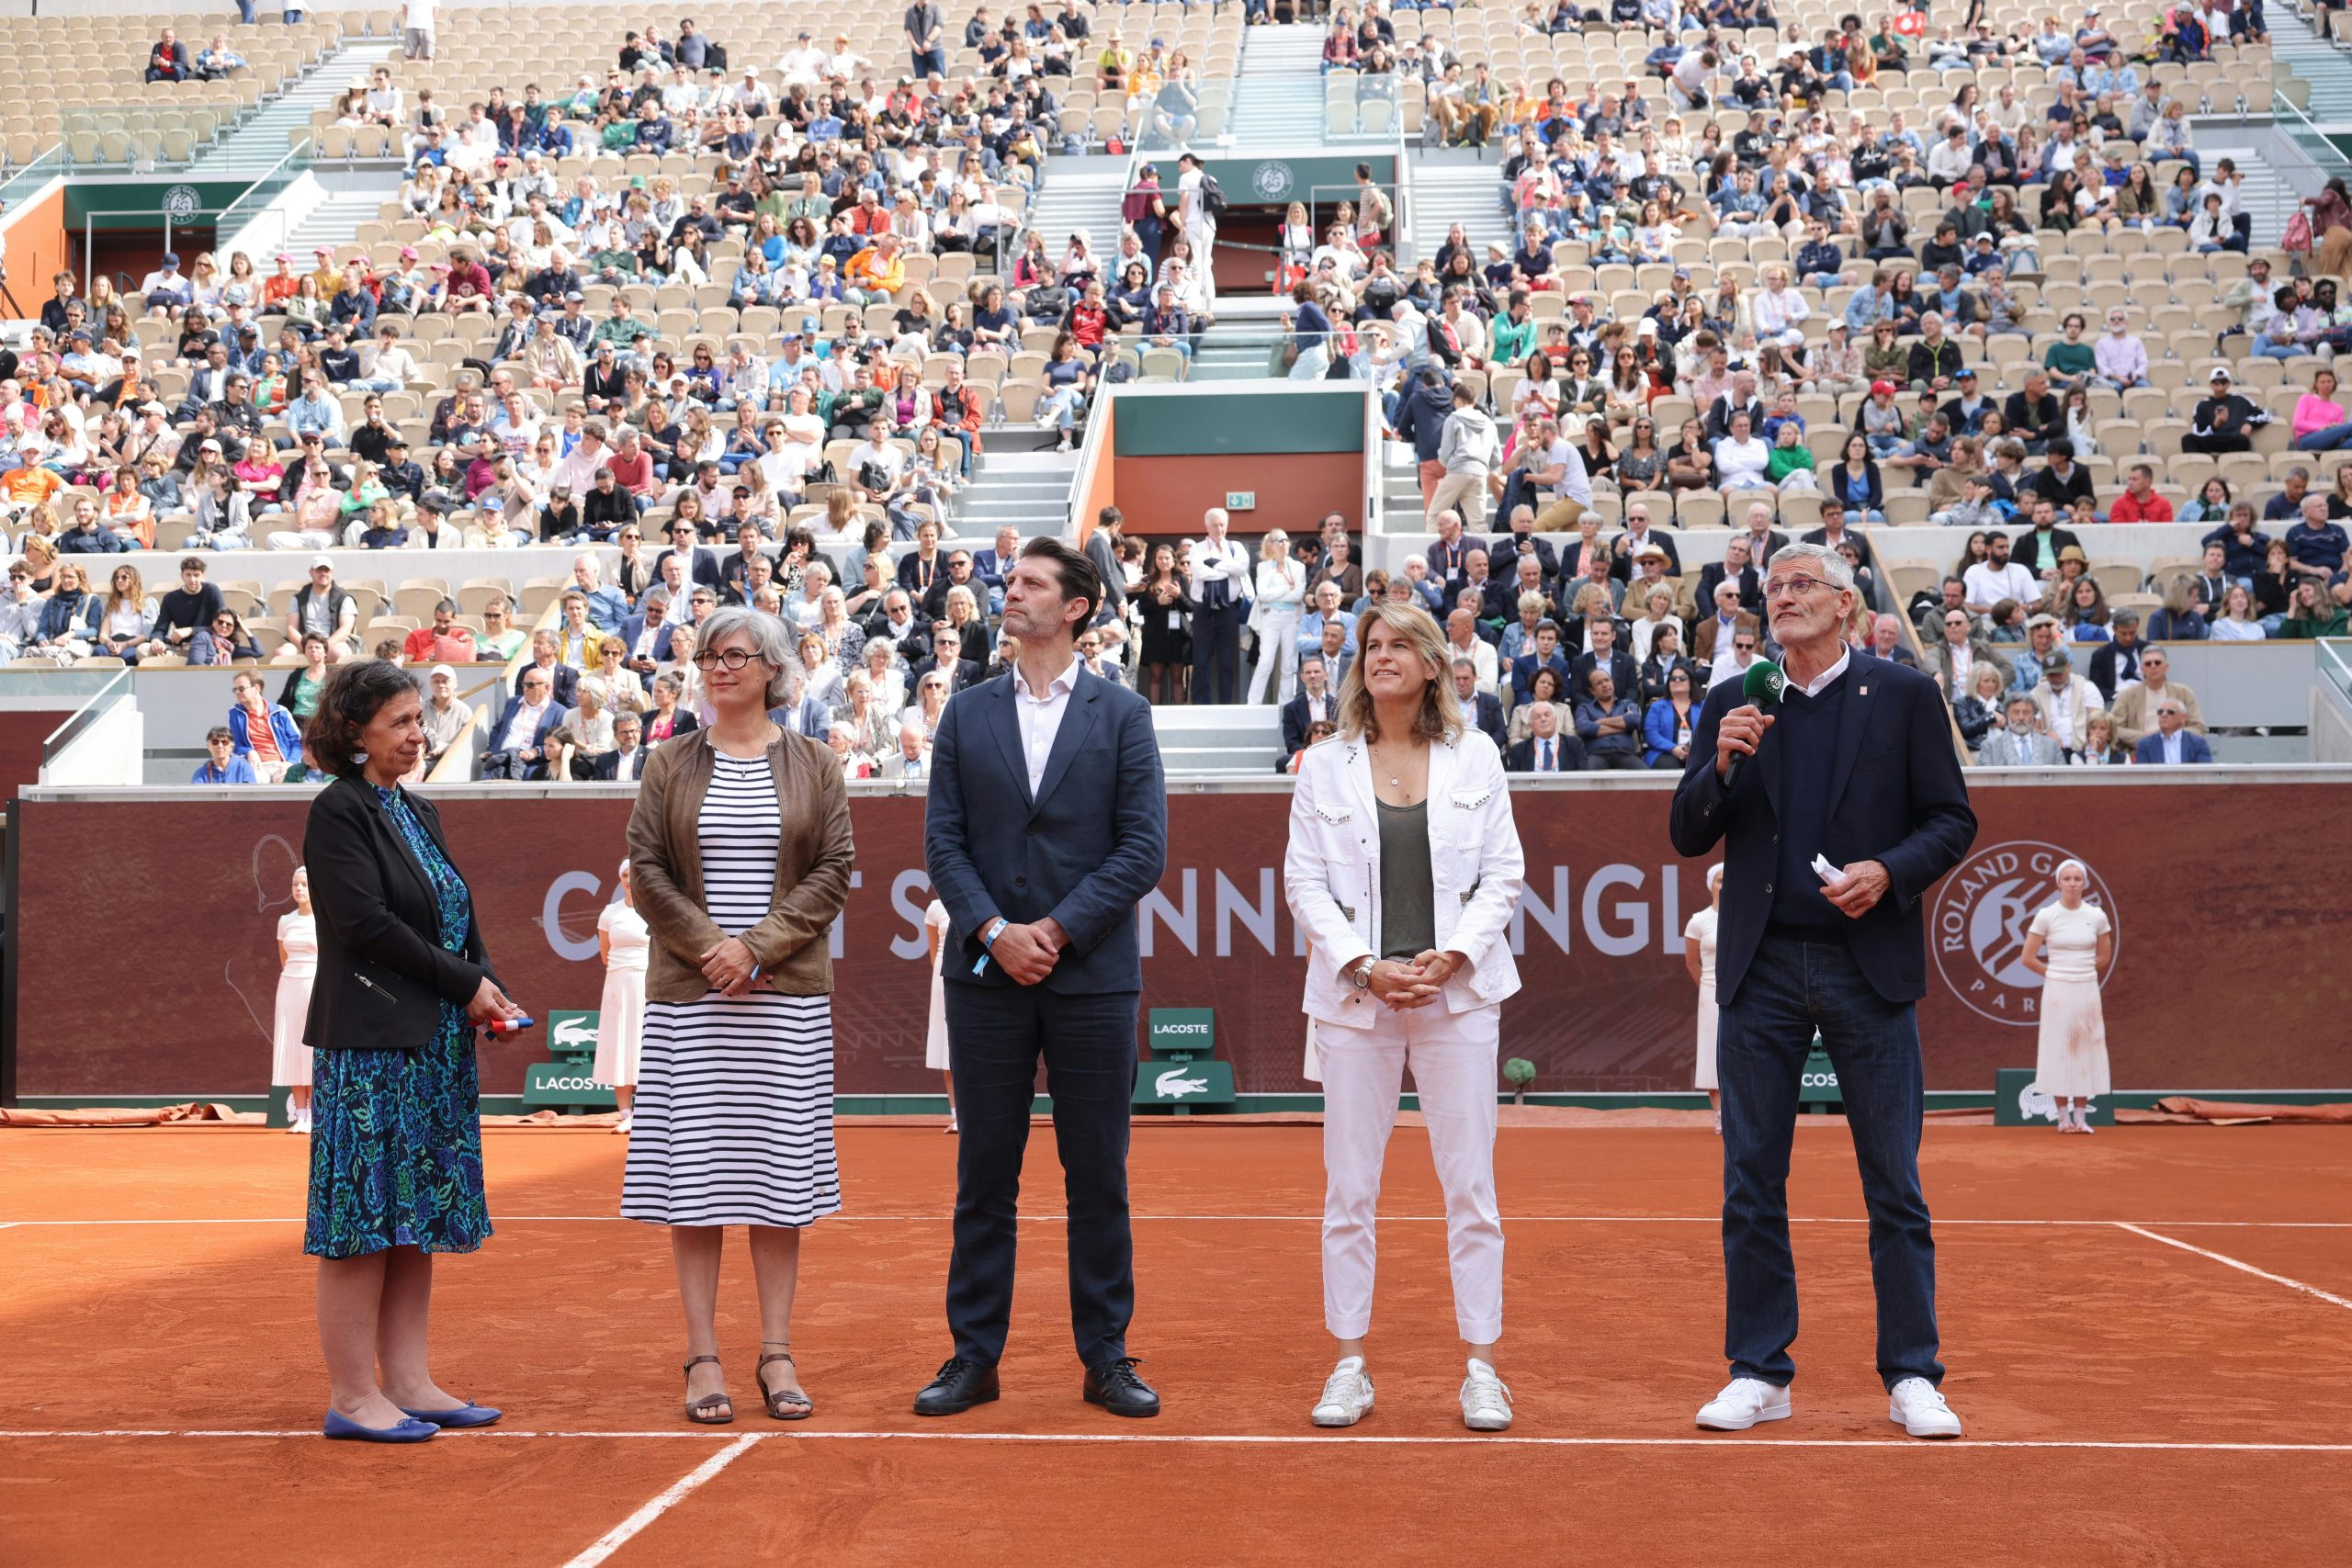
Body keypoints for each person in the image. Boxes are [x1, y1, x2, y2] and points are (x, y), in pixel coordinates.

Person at [1669, 542, 1977, 1440]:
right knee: (1750, 1178)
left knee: (1893, 1180)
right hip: (1759, 969)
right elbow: (1688, 832)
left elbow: (1951, 818)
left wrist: (1887, 871)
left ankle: (1912, 1373)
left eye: (1802, 585)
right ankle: (1760, 1370)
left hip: (1864, 965)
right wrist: (1721, 767)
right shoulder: (1734, 701)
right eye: (1773, 589)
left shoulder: (1907, 697)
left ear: (1847, 604)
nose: (1784, 599)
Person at [918, 538, 1169, 1421]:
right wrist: (994, 930)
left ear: (1076, 606)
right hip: (985, 976)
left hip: (1091, 977)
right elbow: (943, 842)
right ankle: (972, 1358)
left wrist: (1053, 931)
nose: (1008, 592)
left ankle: (1106, 1357)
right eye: (1010, 581)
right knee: (984, 1176)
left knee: (1096, 1173)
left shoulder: (1124, 713)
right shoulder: (963, 711)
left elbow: (1143, 848)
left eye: (1029, 584)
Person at [1284, 601, 1525, 1434]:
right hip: (1358, 1001)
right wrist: (1365, 964)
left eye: (1398, 645)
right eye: (1369, 646)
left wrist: (1451, 955)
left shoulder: (1478, 755)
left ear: (1433, 664)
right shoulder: (1322, 765)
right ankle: (1349, 1362)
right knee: (1349, 1189)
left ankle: (1482, 1369)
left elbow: (1504, 873)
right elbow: (1304, 884)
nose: (1380, 656)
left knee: (1472, 1190)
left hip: (1457, 995)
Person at [622, 605, 857, 1426]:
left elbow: (833, 870)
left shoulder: (818, 762)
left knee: (777, 1182)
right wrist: (710, 950)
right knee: (696, 1184)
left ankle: (777, 1350)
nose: (719, 667)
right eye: (708, 655)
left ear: (773, 668)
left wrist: (753, 949)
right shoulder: (667, 763)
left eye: (737, 655)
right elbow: (645, 869)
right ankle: (702, 1355)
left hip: (780, 1000)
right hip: (694, 1002)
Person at [300, 658, 526, 1442]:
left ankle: (409, 1381)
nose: (415, 733)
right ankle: (353, 1395)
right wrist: (465, 983)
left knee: (413, 1214)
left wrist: (487, 986)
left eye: (416, 720)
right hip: (370, 1048)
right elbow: (367, 925)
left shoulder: (417, 810)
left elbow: (453, 917)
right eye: (398, 722)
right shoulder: (337, 811)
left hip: (430, 1048)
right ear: (354, 734)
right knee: (363, 1218)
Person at [2019, 859, 2113, 1135]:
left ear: (2084, 883)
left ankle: (2081, 1118)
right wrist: (2055, 973)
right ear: (2058, 883)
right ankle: (2063, 1118)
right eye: (2067, 879)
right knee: (2059, 1046)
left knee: (2085, 1044)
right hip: (2057, 991)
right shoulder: (2046, 915)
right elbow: (2027, 957)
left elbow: (2104, 956)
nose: (2072, 883)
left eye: (2077, 879)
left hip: (2086, 989)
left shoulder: (2097, 916)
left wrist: (2080, 972)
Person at [594, 861, 650, 1135]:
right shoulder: (609, 913)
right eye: (624, 875)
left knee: (648, 1045)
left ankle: (650, 1114)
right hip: (617, 984)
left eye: (634, 874)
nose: (629, 879)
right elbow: (605, 954)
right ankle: (626, 1114)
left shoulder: (656, 910)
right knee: (620, 1045)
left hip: (650, 984)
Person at [274, 866, 319, 1134]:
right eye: (295, 884)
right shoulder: (285, 921)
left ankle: (314, 1114)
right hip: (289, 986)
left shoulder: (323, 921)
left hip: (314, 986)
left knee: (312, 1048)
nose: (299, 889)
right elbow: (283, 958)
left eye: (304, 884)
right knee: (292, 1047)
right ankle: (300, 1115)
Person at [1190, 507, 1250, 705]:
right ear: (1207, 526)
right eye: (1215, 525)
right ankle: (1201, 705)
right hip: (1203, 610)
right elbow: (1200, 573)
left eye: (1222, 524)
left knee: (1227, 662)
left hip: (1228, 610)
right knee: (1200, 662)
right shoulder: (1197, 548)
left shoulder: (1236, 547)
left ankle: (1226, 704)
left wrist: (1214, 564)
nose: (1219, 529)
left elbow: (1241, 569)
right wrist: (1227, 568)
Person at [1684, 863, 1724, 1134]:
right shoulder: (1699, 921)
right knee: (1712, 1053)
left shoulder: (1745, 917)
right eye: (1720, 880)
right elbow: (1691, 962)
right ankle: (1721, 1116)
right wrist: (1707, 988)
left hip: (1742, 993)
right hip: (1710, 993)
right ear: (1711, 884)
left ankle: (1742, 1115)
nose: (1725, 885)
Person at [922, 897, 956, 1134]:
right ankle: (957, 1117)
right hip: (943, 978)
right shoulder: (934, 908)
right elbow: (934, 954)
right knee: (947, 1047)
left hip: (977, 976)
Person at [2132, 695, 2214, 763]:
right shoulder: (2145, 744)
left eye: (2170, 712)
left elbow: (2205, 775)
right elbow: (2142, 777)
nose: (2164, 715)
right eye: (2160, 712)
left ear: (2183, 718)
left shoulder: (2198, 744)